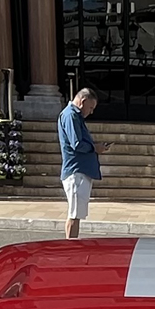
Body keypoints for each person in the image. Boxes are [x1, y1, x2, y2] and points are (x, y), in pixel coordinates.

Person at [58, 87, 101, 237]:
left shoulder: (75, 116)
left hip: (80, 170)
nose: (91, 112)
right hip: (76, 170)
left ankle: (72, 242)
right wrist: (95, 148)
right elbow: (76, 143)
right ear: (82, 101)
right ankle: (70, 246)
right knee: (74, 214)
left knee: (76, 213)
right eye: (90, 107)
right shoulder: (71, 115)